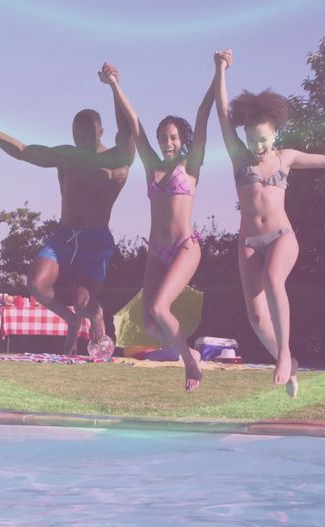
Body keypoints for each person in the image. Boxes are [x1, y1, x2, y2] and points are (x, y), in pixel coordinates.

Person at [214, 49, 325, 397]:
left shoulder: (286, 158)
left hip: (281, 237)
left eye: (264, 139)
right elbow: (221, 113)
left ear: (275, 134)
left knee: (273, 280)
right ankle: (291, 363)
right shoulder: (239, 158)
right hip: (248, 243)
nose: (258, 146)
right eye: (252, 139)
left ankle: (282, 357)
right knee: (257, 318)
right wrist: (220, 70)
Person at [0, 72, 135, 354]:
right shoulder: (67, 155)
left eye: (86, 135)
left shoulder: (117, 161)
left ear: (100, 132)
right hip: (65, 236)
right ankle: (70, 320)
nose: (80, 140)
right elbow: (23, 151)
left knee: (84, 303)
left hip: (96, 241)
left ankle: (93, 313)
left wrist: (114, 86)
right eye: (76, 135)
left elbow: (128, 129)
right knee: (36, 284)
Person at [100, 62, 213, 391]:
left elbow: (203, 117)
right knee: (149, 321)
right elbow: (135, 124)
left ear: (182, 140)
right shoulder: (152, 165)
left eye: (173, 137)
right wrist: (113, 85)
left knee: (160, 308)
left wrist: (218, 72)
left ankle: (190, 364)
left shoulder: (190, 165)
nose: (167, 142)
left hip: (184, 246)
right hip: (157, 252)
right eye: (163, 137)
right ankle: (188, 351)